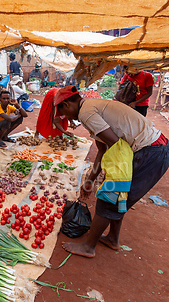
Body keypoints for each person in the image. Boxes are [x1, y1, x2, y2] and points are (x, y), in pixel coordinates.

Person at [54, 85, 169, 258]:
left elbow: (116, 145)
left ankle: (88, 246)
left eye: (62, 112)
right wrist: (90, 180)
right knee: (121, 196)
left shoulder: (86, 113)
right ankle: (112, 239)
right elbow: (102, 150)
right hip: (154, 150)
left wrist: (112, 176)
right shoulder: (91, 106)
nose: (65, 117)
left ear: (67, 104)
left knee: (109, 197)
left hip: (149, 152)